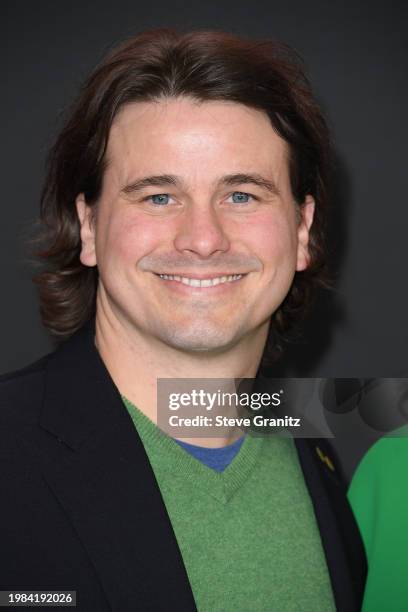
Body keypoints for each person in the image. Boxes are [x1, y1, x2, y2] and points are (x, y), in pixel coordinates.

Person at [0, 29, 366, 611]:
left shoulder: (317, 450)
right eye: (158, 197)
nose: (203, 239)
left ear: (301, 231)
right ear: (90, 227)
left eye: (242, 195)